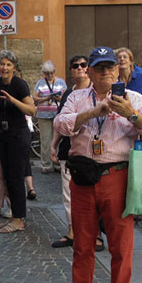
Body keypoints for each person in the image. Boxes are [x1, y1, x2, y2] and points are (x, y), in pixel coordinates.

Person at [54, 46, 142, 283]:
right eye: (99, 68)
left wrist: (131, 114)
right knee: (83, 243)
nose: (105, 73)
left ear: (119, 70)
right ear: (89, 71)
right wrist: (91, 113)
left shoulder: (134, 98)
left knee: (121, 246)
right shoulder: (77, 97)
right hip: (84, 177)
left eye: (110, 68)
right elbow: (61, 124)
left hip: (118, 176)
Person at [49, 54, 102, 250]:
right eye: (75, 66)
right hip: (68, 150)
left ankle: (96, 235)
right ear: (71, 71)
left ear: (88, 69)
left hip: (92, 150)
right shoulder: (67, 95)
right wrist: (53, 144)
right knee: (68, 194)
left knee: (94, 195)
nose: (79, 68)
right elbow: (60, 122)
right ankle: (72, 232)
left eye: (83, 65)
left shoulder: (96, 93)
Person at [0, 50, 36, 233]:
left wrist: (13, 100)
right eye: (2, 64)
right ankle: (15, 215)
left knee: (16, 177)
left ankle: (19, 219)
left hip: (18, 135)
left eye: (9, 64)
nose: (5, 67)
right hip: (3, 135)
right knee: (8, 176)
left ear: (14, 68)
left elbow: (32, 110)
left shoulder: (19, 85)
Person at [33, 60, 67, 173]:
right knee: (45, 140)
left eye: (51, 72)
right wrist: (45, 98)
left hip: (57, 114)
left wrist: (59, 99)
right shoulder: (40, 83)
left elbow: (67, 98)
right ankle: (46, 165)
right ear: (44, 73)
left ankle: (57, 164)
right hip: (43, 115)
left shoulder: (61, 82)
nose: (50, 75)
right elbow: (34, 98)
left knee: (57, 140)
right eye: (47, 73)